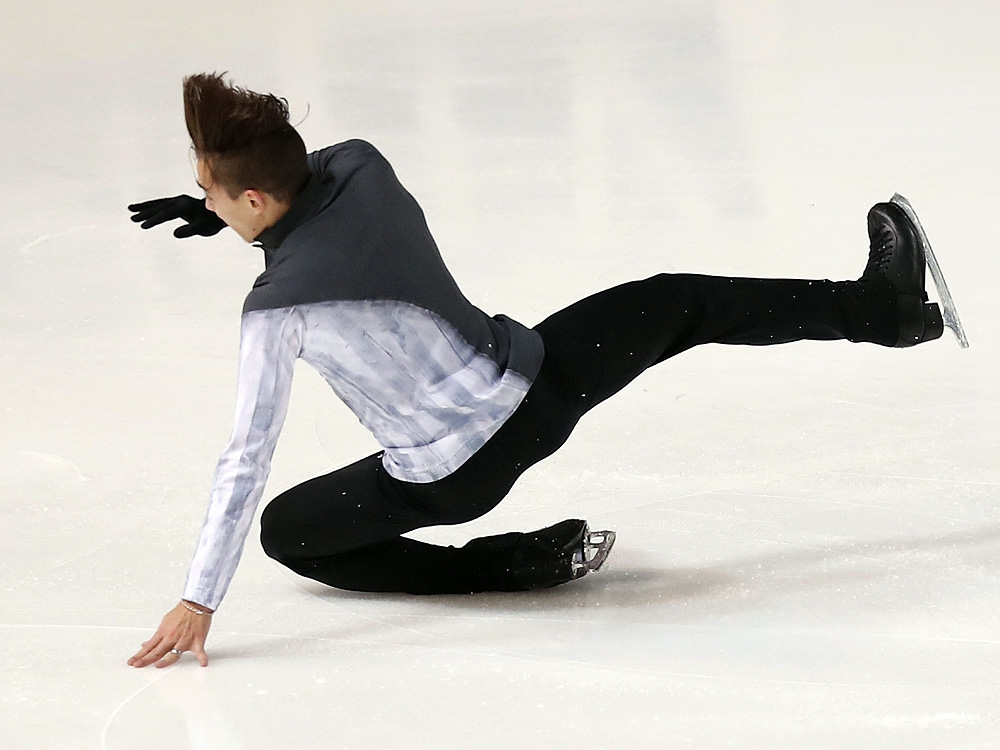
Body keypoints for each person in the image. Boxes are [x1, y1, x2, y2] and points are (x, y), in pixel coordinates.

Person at [126, 72, 945, 669]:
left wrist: (199, 598)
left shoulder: (278, 311)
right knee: (676, 303)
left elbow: (246, 456)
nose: (207, 196)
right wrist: (217, 205)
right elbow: (306, 171)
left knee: (287, 533)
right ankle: (885, 309)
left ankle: (505, 565)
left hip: (454, 474)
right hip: (538, 386)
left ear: (257, 202)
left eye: (213, 187)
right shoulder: (362, 167)